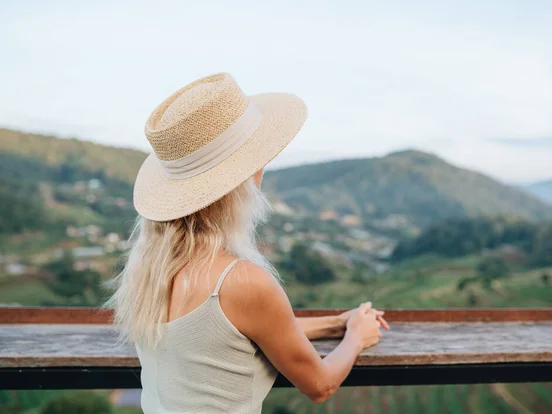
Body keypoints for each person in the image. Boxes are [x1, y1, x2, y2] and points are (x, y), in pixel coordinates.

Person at [107, 73, 389, 413]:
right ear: (243, 182)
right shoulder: (241, 281)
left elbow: (240, 331)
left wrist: (337, 323)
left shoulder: (149, 270)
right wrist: (357, 338)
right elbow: (320, 385)